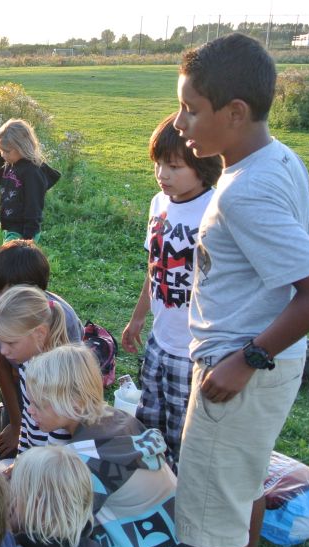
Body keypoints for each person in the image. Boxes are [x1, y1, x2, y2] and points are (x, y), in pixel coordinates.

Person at [121, 34, 309, 547]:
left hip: (240, 365)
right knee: (243, 482)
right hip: (269, 357)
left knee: (214, 501)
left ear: (236, 111)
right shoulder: (278, 161)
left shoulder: (244, 190)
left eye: (191, 109)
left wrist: (245, 359)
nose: (180, 123)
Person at [25, 345, 200, 547]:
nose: (31, 410)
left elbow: (50, 535)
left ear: (76, 403)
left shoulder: (82, 461)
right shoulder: (121, 420)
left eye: (39, 404)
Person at [120, 112, 222, 461]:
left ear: (204, 166)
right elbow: (155, 268)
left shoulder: (215, 209)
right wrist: (137, 319)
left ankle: (179, 494)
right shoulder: (159, 204)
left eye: (175, 167)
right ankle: (154, 487)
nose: (163, 175)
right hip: (160, 340)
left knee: (184, 433)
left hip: (193, 348)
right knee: (149, 419)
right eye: (159, 164)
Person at [0, 285, 73, 455]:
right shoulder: (28, 364)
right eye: (1, 342)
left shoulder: (56, 378)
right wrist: (21, 457)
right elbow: (27, 418)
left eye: (11, 343)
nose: (3, 351)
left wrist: (31, 468)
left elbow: (59, 442)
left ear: (39, 333)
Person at [0, 239, 82, 352]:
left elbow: (72, 365)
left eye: (11, 296)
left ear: (35, 292)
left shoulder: (63, 319)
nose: (1, 301)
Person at [0, 118, 61, 242]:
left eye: (6, 151)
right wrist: (1, 153)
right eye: (0, 150)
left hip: (23, 232)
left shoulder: (32, 172)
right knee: (11, 260)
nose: (2, 154)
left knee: (11, 260)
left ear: (21, 148)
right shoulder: (10, 164)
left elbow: (34, 205)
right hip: (11, 228)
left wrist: (27, 238)